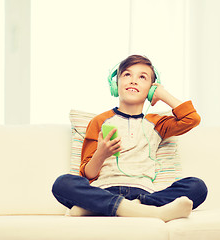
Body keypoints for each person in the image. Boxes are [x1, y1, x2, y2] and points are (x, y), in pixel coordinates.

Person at [52, 55, 207, 222]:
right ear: (115, 84)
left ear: (151, 88)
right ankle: (150, 212)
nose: (133, 81)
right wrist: (101, 154)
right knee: (63, 184)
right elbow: (87, 175)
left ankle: (104, 208)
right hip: (105, 189)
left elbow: (192, 119)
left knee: (197, 187)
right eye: (127, 75)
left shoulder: (157, 123)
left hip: (144, 194)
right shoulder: (99, 121)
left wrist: (162, 94)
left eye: (142, 77)